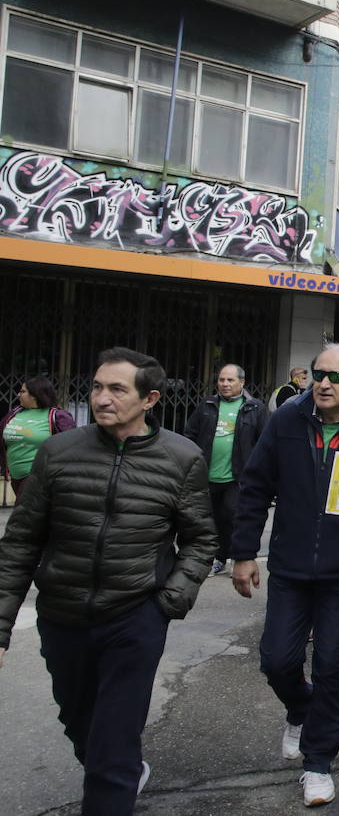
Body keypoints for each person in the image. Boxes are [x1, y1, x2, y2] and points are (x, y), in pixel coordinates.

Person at [0, 347, 216, 814]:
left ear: (149, 398)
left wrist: (169, 601)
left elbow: (201, 540)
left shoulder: (181, 458)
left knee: (114, 737)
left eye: (117, 389)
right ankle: (113, 765)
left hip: (134, 616)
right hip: (62, 615)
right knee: (80, 722)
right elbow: (20, 542)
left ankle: (114, 777)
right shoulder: (58, 452)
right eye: (98, 387)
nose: (102, 398)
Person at [230, 343, 339, 808]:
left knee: (331, 664)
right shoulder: (287, 419)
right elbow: (255, 486)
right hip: (289, 565)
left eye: (335, 377)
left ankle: (318, 762)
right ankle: (299, 708)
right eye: (319, 373)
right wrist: (243, 552)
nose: (324, 383)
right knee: (277, 661)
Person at [183, 364, 267, 577]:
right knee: (208, 520)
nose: (225, 384)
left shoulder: (254, 408)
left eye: (230, 380)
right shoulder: (207, 405)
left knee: (231, 517)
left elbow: (265, 443)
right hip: (206, 476)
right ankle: (214, 558)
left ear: (242, 382)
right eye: (222, 380)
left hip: (237, 477)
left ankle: (232, 557)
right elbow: (190, 434)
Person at [1, 376, 76, 500]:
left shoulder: (57, 416)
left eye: (23, 391)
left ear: (35, 395)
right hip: (16, 477)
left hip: (39, 476)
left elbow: (72, 446)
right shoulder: (15, 412)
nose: (18, 394)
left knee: (25, 514)